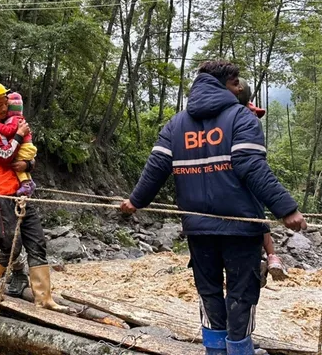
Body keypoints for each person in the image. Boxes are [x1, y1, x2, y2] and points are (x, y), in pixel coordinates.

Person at [119, 61, 306, 355]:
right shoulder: (241, 119)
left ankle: (215, 352)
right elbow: (252, 167)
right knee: (241, 294)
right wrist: (287, 209)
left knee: (208, 292)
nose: (240, 90)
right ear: (229, 83)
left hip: (198, 228)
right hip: (241, 228)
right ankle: (239, 351)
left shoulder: (176, 124)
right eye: (237, 85)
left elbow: (157, 167)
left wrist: (135, 201)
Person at [0, 81, 63, 310]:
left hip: (22, 190)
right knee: (10, 245)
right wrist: (18, 136)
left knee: (37, 241)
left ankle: (44, 298)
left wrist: (29, 163)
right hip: (0, 193)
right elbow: (3, 157)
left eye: (6, 104)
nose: (4, 109)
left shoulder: (13, 125)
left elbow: (25, 158)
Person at [237, 78, 288, 282]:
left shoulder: (235, 121)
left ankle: (268, 257)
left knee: (258, 217)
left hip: (232, 186)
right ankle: (271, 256)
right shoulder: (248, 121)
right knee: (259, 218)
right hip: (249, 184)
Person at [0, 92, 37, 196]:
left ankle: (25, 184)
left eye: (6, 105)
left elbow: (9, 130)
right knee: (20, 163)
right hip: (28, 146)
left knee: (17, 164)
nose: (4, 109)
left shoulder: (14, 120)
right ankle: (29, 182)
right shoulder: (20, 119)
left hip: (24, 147)